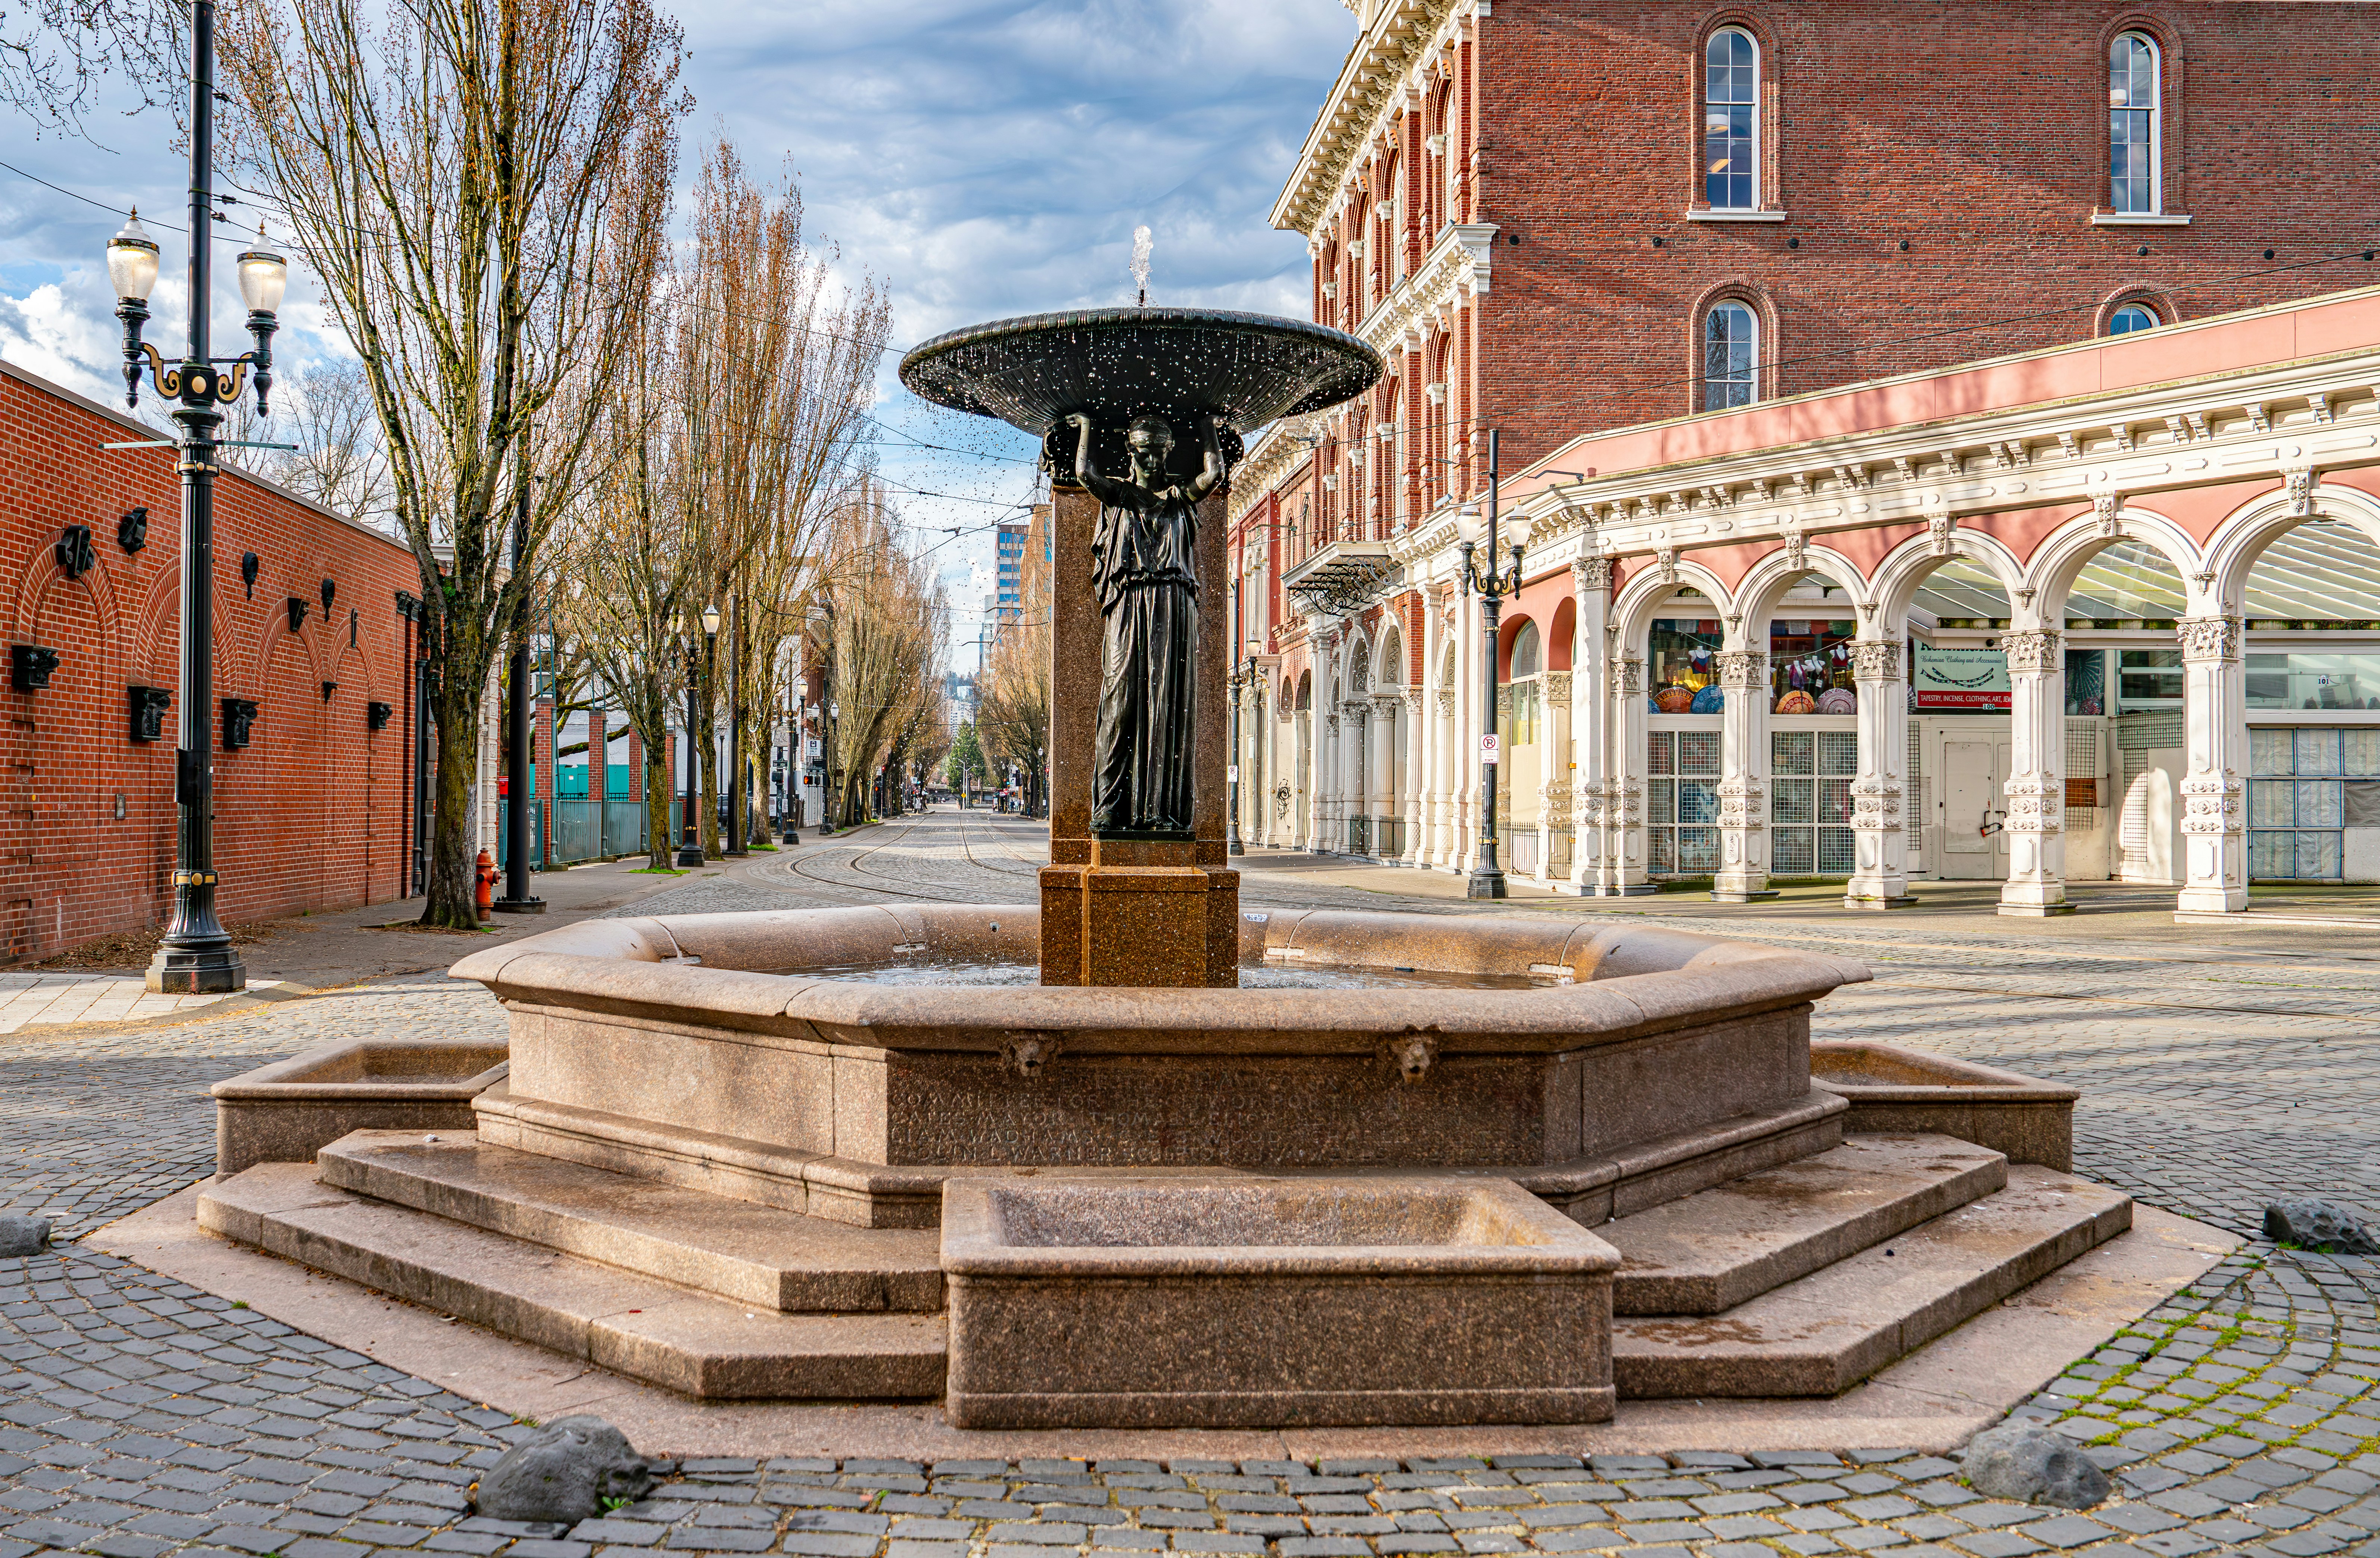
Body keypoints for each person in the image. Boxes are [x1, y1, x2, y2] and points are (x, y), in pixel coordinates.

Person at [1065, 409, 1226, 835]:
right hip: (1129, 604)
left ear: (1169, 451)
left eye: (1159, 452)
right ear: (1130, 452)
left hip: (1173, 608)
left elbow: (1215, 473)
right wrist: (1086, 426)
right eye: (1143, 453)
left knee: (1165, 704)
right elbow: (1084, 475)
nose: (1152, 461)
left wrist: (1208, 425)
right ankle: (1110, 807)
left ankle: (1159, 810)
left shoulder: (1178, 499)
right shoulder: (1120, 496)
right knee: (1119, 700)